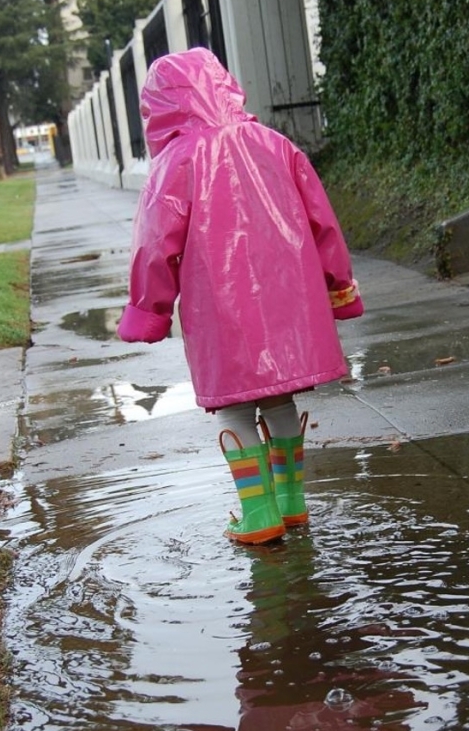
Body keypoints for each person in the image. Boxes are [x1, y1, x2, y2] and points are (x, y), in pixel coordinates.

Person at [117, 47, 363, 545]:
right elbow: (323, 223)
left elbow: (154, 243)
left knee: (233, 407)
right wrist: (337, 286)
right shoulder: (276, 144)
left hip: (221, 306)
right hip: (290, 300)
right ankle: (292, 503)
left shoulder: (176, 163)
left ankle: (258, 514)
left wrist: (150, 310)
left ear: (159, 108)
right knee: (278, 397)